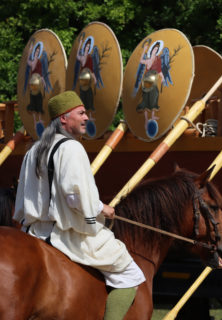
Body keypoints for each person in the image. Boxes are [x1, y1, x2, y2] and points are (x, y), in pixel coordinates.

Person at [14, 90, 145, 320]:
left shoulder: (33, 150)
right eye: (81, 113)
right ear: (64, 118)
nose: (87, 118)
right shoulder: (71, 148)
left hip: (32, 232)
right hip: (66, 234)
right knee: (129, 271)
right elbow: (75, 197)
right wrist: (100, 209)